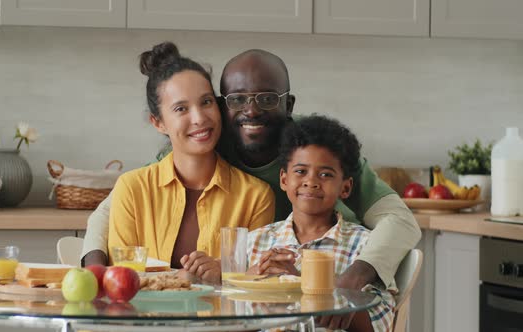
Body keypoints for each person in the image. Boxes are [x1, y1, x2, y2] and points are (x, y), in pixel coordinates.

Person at [83, 48, 421, 292]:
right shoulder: (204, 142)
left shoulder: (318, 146)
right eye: (237, 99)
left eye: (267, 99)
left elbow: (399, 220)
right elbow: (108, 212)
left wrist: (353, 277)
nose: (252, 110)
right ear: (222, 104)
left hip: (328, 271)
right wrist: (97, 276)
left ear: (288, 105)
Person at [106, 42, 275, 284]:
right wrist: (185, 278)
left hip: (226, 321)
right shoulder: (132, 189)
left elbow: (256, 285)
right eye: (181, 108)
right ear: (158, 122)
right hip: (144, 321)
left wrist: (222, 275)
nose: (199, 118)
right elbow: (122, 280)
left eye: (206, 102)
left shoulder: (255, 196)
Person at [247, 115, 395, 331]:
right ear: (284, 179)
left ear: (345, 187)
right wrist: (251, 281)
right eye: (300, 171)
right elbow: (231, 317)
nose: (311, 182)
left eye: (325, 174)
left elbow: (380, 323)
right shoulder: (256, 241)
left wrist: (302, 286)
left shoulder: (366, 246)